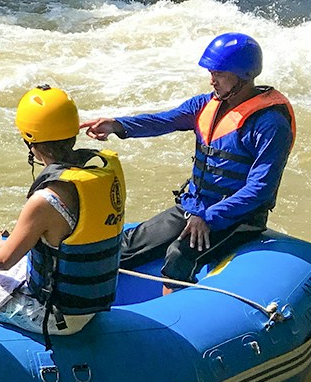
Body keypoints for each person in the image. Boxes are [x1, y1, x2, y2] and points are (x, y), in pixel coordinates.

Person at [79, 33, 294, 286]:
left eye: (220, 74)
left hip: (238, 217)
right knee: (125, 246)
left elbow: (260, 189)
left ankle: (169, 320)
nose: (212, 80)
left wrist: (210, 216)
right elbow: (163, 120)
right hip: (195, 207)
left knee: (179, 255)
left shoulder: (270, 125)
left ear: (243, 76)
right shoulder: (205, 105)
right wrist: (116, 125)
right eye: (211, 72)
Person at [0, 86, 125, 339]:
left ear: (30, 139)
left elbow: (3, 261)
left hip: (53, 315)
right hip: (86, 305)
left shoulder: (45, 200)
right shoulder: (101, 173)